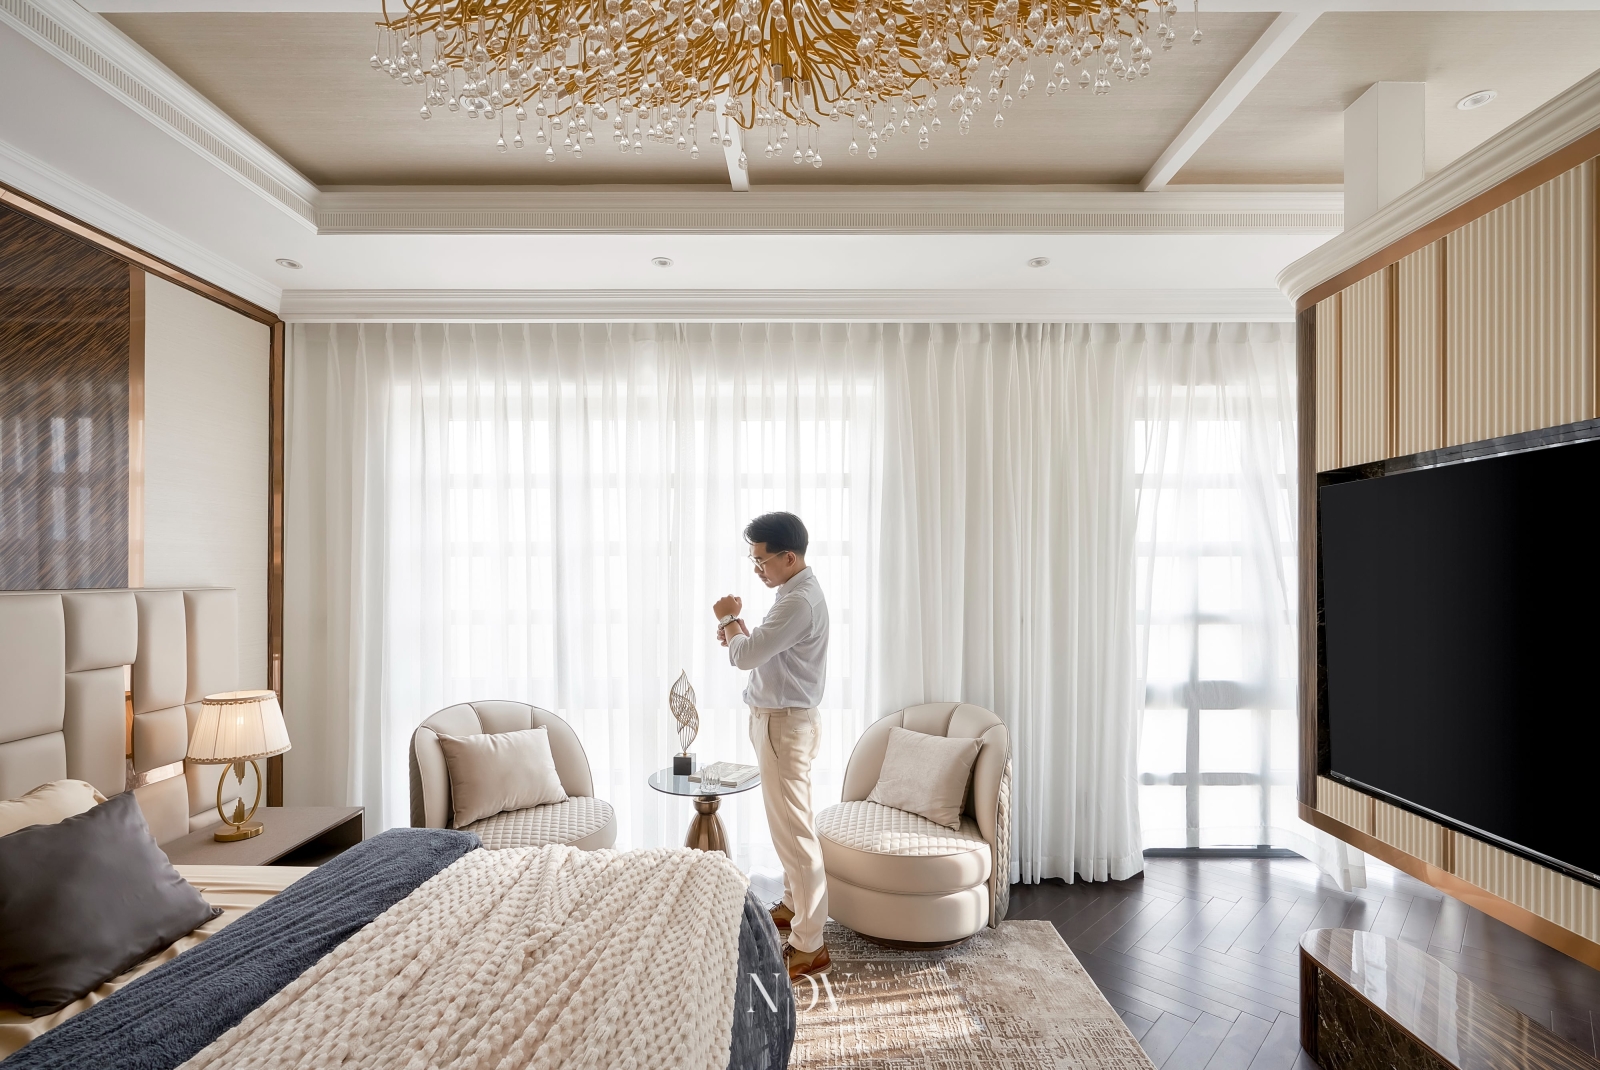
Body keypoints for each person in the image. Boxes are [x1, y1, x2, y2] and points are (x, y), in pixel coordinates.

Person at [713, 511, 831, 980]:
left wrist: (729, 619)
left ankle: (810, 945)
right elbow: (760, 650)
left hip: (784, 727)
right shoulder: (794, 593)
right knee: (787, 827)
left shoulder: (798, 601)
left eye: (761, 560)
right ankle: (793, 905)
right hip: (782, 723)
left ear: (789, 557)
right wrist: (738, 632)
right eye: (753, 559)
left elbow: (745, 657)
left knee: (796, 835)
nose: (757, 568)